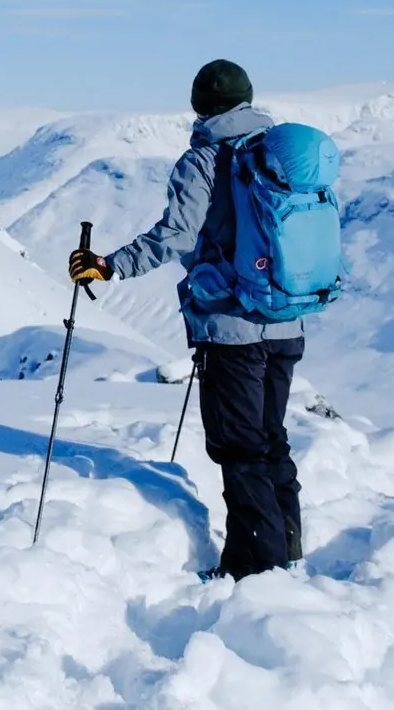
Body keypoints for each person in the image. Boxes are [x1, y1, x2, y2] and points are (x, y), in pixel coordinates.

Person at [68, 58, 305, 579]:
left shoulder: (204, 160)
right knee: (271, 439)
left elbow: (175, 235)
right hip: (288, 321)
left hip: (232, 330)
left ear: (200, 105)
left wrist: (109, 265)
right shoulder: (282, 154)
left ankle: (255, 570)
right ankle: (288, 550)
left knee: (240, 449)